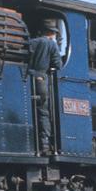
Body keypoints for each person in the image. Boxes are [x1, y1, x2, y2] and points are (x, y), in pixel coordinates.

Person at [28, 18, 62, 154]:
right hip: (42, 80)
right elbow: (58, 65)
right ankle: (45, 144)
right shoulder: (51, 45)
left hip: (29, 78)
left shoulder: (31, 42)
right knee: (43, 112)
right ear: (52, 33)